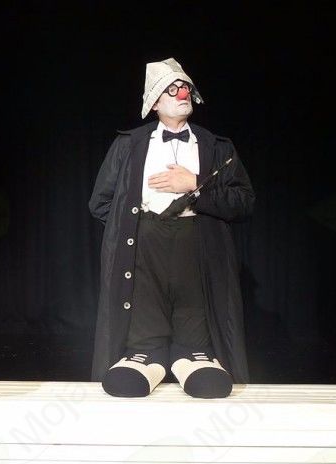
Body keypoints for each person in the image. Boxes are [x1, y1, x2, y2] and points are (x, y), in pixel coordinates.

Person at [88, 57, 255, 399]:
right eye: (171, 89)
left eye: (185, 88)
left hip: (196, 243)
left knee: (195, 309)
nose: (182, 93)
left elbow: (243, 202)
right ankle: (144, 354)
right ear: (154, 103)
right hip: (144, 244)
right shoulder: (128, 144)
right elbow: (101, 202)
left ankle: (192, 354)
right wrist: (133, 229)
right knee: (142, 308)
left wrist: (195, 185)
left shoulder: (217, 147)